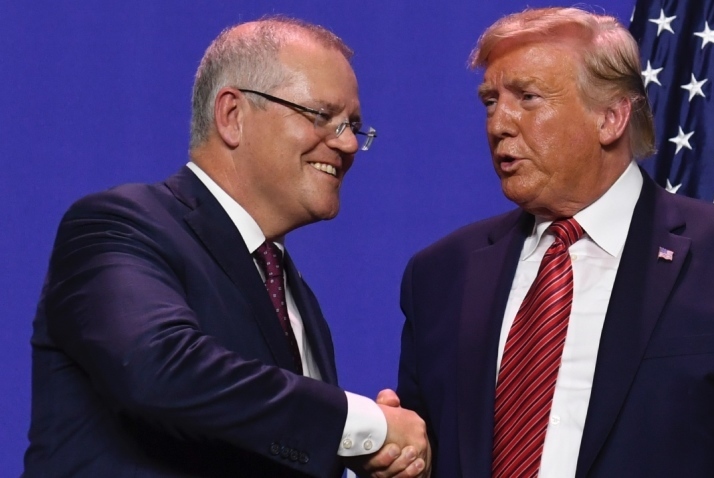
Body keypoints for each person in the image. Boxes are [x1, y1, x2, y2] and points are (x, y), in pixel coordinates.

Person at [395, 7, 714, 477]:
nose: (498, 125)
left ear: (611, 117)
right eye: (490, 101)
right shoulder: (440, 275)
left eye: (528, 98)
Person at [24, 16, 429, 478]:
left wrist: (368, 459)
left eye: (353, 125)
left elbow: (264, 440)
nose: (349, 145)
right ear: (232, 116)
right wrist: (363, 424)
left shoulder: (293, 293)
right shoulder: (120, 224)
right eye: (323, 117)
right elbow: (158, 368)